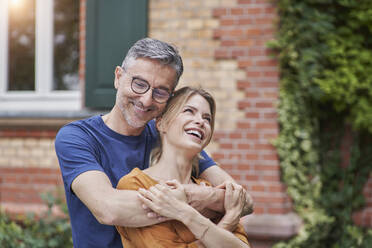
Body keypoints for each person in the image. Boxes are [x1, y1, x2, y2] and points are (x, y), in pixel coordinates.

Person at [55, 38, 253, 248]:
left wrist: (198, 196)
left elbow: (244, 200)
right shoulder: (78, 137)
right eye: (139, 84)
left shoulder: (170, 135)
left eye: (160, 92)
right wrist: (206, 206)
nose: (146, 99)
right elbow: (109, 209)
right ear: (118, 77)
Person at [116, 87, 250, 247]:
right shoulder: (136, 185)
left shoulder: (208, 188)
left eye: (207, 118)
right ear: (161, 123)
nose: (201, 121)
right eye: (189, 111)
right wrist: (229, 220)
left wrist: (185, 213)